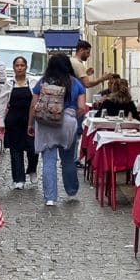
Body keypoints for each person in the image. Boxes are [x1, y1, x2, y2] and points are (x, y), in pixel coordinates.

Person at [28, 53, 86, 207]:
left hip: (46, 124)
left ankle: (50, 198)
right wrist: (72, 117)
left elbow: (34, 106)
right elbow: (82, 107)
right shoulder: (75, 83)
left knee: (48, 159)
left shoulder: (42, 82)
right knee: (68, 159)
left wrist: (31, 124)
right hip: (68, 123)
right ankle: (71, 190)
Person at [0, 55, 38, 189]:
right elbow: (2, 103)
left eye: (22, 65)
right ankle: (18, 179)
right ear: (14, 68)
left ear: (26, 67)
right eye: (17, 65)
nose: (19, 68)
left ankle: (32, 169)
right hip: (13, 120)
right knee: (16, 150)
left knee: (33, 149)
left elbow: (38, 99)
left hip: (30, 120)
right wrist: (1, 121)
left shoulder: (32, 82)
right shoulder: (9, 84)